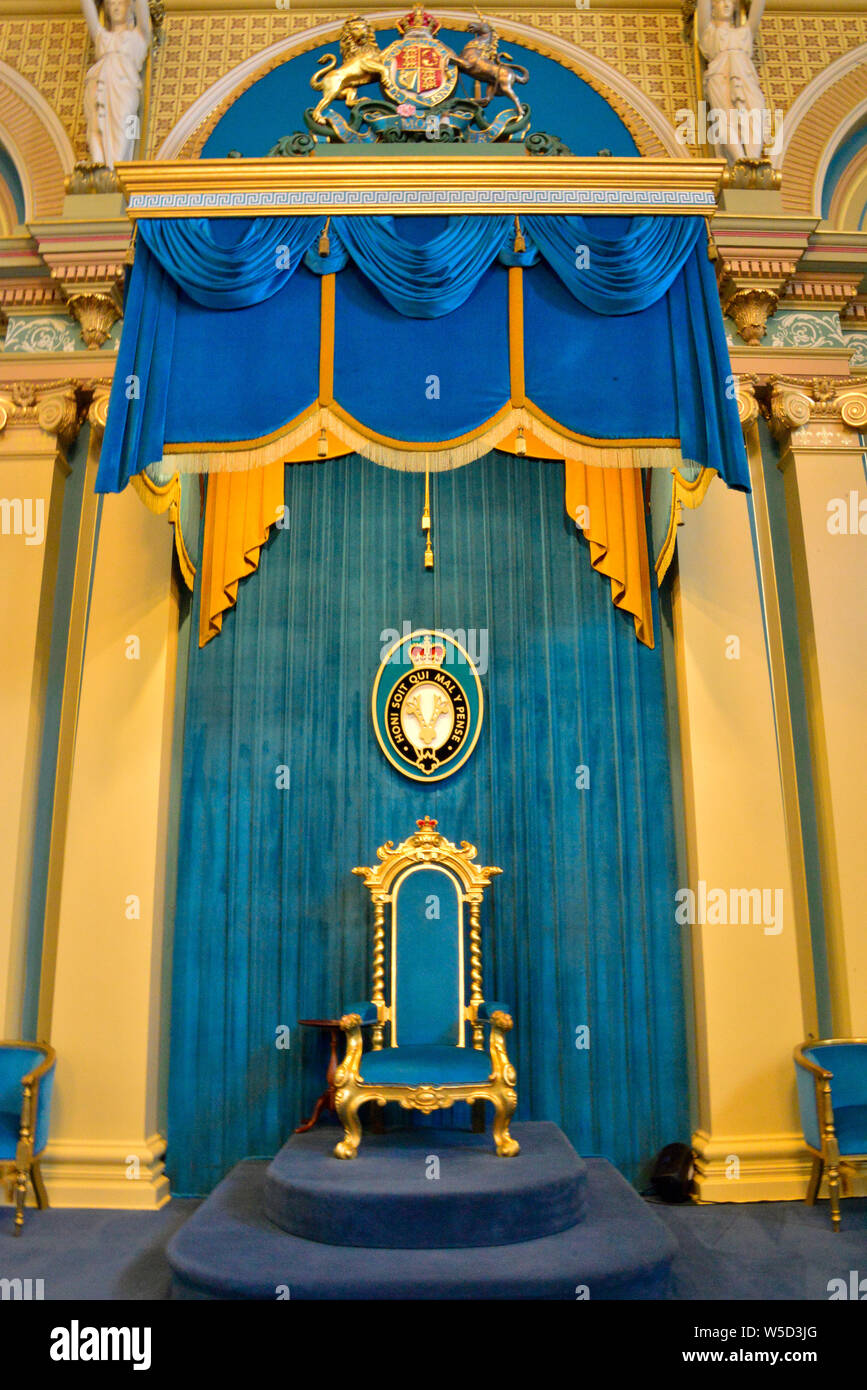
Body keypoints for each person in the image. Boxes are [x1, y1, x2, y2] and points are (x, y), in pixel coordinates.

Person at [81, 0, 151, 169]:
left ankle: (118, 167)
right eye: (111, 4)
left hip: (125, 89)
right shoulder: (102, 36)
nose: (116, 7)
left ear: (131, 7)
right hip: (98, 85)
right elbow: (88, 8)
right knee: (96, 126)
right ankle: (98, 165)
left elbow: (143, 13)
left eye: (121, 3)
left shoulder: (139, 36)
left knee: (126, 126)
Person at [697, 0, 768, 162]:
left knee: (755, 114)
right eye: (720, 1)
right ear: (713, 8)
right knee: (725, 118)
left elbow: (758, 7)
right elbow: (702, 6)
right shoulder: (708, 32)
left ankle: (753, 159)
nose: (727, 4)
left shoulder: (745, 32)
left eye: (730, 1)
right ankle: (739, 160)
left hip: (746, 77)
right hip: (720, 76)